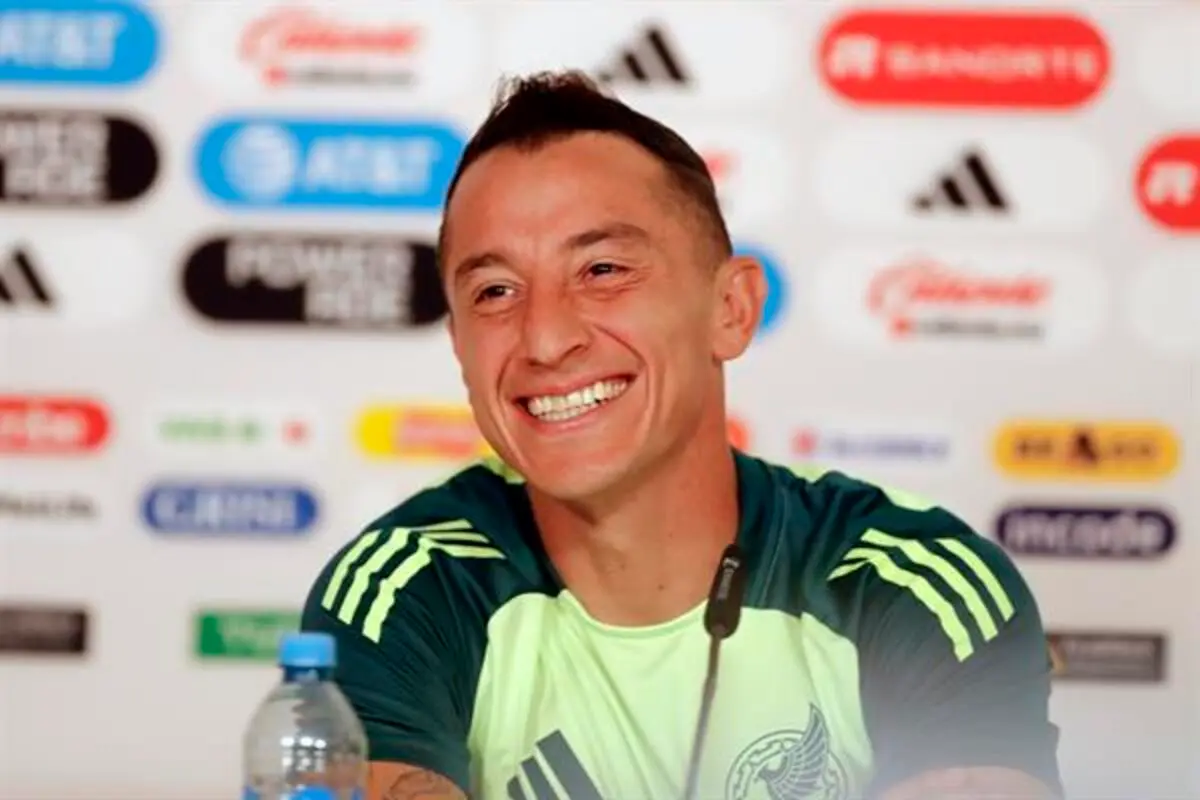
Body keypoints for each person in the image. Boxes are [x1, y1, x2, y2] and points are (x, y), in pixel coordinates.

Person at [300, 70, 1062, 800]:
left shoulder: (914, 584)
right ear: (459, 343)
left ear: (731, 309)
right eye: (495, 291)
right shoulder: (404, 588)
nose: (545, 338)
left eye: (602, 269)